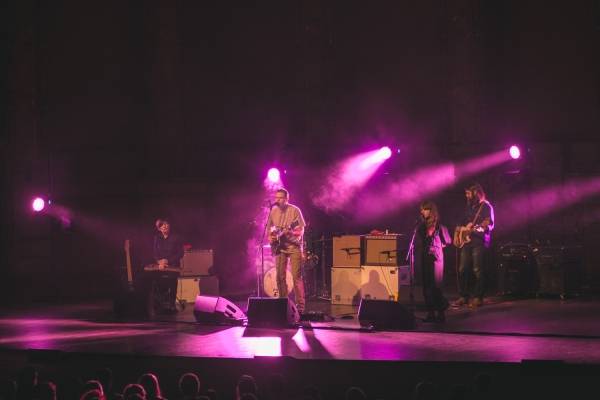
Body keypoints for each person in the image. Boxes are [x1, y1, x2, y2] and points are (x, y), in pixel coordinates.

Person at [453, 183, 495, 308]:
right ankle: (464, 296)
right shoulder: (469, 207)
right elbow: (459, 222)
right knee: (462, 269)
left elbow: (489, 224)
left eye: (468, 193)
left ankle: (478, 297)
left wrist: (481, 228)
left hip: (479, 241)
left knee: (478, 269)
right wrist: (458, 232)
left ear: (476, 193)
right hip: (466, 241)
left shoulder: (486, 206)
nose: (466, 195)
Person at [266, 188, 306, 314]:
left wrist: (290, 232)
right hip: (279, 247)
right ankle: (284, 304)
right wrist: (271, 237)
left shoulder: (295, 210)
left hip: (294, 247)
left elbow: (300, 231)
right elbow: (269, 229)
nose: (277, 200)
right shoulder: (273, 211)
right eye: (276, 197)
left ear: (287, 199)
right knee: (280, 276)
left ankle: (300, 308)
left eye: (280, 198)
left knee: (296, 277)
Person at [415, 201, 451, 323]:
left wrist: (436, 245)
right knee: (426, 286)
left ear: (431, 211)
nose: (422, 211)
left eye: (425, 209)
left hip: (436, 259)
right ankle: (430, 313)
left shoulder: (439, 225)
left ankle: (441, 313)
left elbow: (447, 241)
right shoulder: (421, 226)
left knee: (436, 286)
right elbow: (420, 241)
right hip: (425, 257)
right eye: (422, 209)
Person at [150, 218, 183, 312]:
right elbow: (154, 252)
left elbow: (180, 253)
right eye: (162, 225)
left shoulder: (176, 237)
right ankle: (160, 305)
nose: (164, 226)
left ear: (169, 226)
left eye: (166, 224)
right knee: (160, 285)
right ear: (159, 228)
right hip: (160, 266)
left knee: (172, 284)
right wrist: (159, 261)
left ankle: (172, 305)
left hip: (173, 265)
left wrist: (167, 261)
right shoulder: (157, 238)